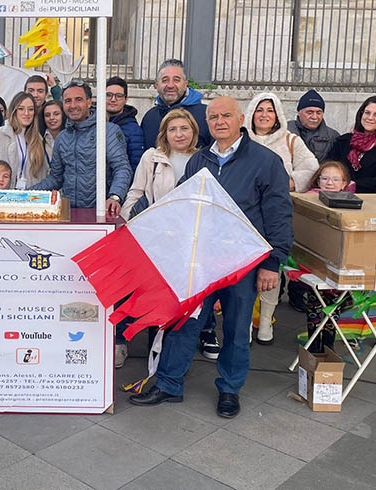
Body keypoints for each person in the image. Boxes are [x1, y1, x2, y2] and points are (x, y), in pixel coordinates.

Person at [129, 96, 292, 419]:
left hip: (243, 262)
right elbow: (186, 207)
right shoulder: (199, 160)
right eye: (213, 116)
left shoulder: (265, 161)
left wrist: (273, 262)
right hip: (202, 260)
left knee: (235, 327)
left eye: (226, 116)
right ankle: (169, 383)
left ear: (241, 119)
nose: (219, 121)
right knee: (185, 322)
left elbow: (278, 214)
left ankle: (230, 389)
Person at [120, 108, 214, 367]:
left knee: (182, 303)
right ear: (164, 133)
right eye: (172, 129)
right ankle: (155, 357)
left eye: (184, 128)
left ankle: (174, 361)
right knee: (156, 300)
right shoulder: (153, 157)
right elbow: (136, 192)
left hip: (189, 243)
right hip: (156, 241)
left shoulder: (204, 159)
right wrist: (130, 226)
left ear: (194, 132)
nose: (178, 134)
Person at [243, 92, 319, 344]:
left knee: (271, 267)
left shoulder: (290, 140)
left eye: (270, 110)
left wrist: (289, 182)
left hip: (275, 215)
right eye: (260, 109)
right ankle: (243, 323)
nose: (264, 115)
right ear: (251, 112)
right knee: (242, 274)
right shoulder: (241, 140)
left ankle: (265, 323)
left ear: (277, 115)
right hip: (245, 217)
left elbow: (311, 167)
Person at [31, 81, 132, 216]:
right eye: (68, 101)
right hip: (69, 214)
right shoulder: (62, 138)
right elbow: (55, 178)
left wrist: (115, 197)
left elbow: (122, 168)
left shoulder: (107, 131)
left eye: (78, 100)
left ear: (89, 102)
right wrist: (26, 193)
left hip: (101, 214)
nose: (73, 105)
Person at [302, 161, 357, 353]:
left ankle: (328, 344)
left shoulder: (352, 200)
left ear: (344, 183)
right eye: (325, 178)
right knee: (316, 303)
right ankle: (315, 347)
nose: (329, 183)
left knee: (337, 303)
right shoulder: (309, 199)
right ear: (318, 180)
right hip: (315, 262)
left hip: (341, 263)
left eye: (335, 179)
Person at [0, 92, 49, 193]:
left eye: (30, 109)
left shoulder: (37, 139)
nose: (26, 113)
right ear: (14, 111)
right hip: (1, 201)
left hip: (30, 200)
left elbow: (43, 175)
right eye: (21, 109)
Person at [329, 95, 376, 193]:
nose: (370, 118)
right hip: (340, 197)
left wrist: (354, 185)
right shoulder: (343, 141)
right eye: (367, 113)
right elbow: (330, 167)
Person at [140, 60, 210, 151]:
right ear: (157, 86)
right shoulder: (149, 117)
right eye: (165, 80)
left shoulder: (205, 115)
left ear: (185, 85)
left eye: (176, 80)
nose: (170, 85)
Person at [287, 89, 340, 163]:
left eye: (319, 113)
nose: (314, 117)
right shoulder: (285, 130)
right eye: (309, 112)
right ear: (299, 112)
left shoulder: (333, 136)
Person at [106, 76, 144, 170]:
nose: (113, 99)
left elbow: (136, 166)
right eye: (108, 95)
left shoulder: (134, 131)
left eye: (118, 96)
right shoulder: (91, 122)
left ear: (126, 99)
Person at [40, 99, 65, 164]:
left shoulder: (71, 137)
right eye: (47, 115)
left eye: (56, 114)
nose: (51, 118)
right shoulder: (39, 138)